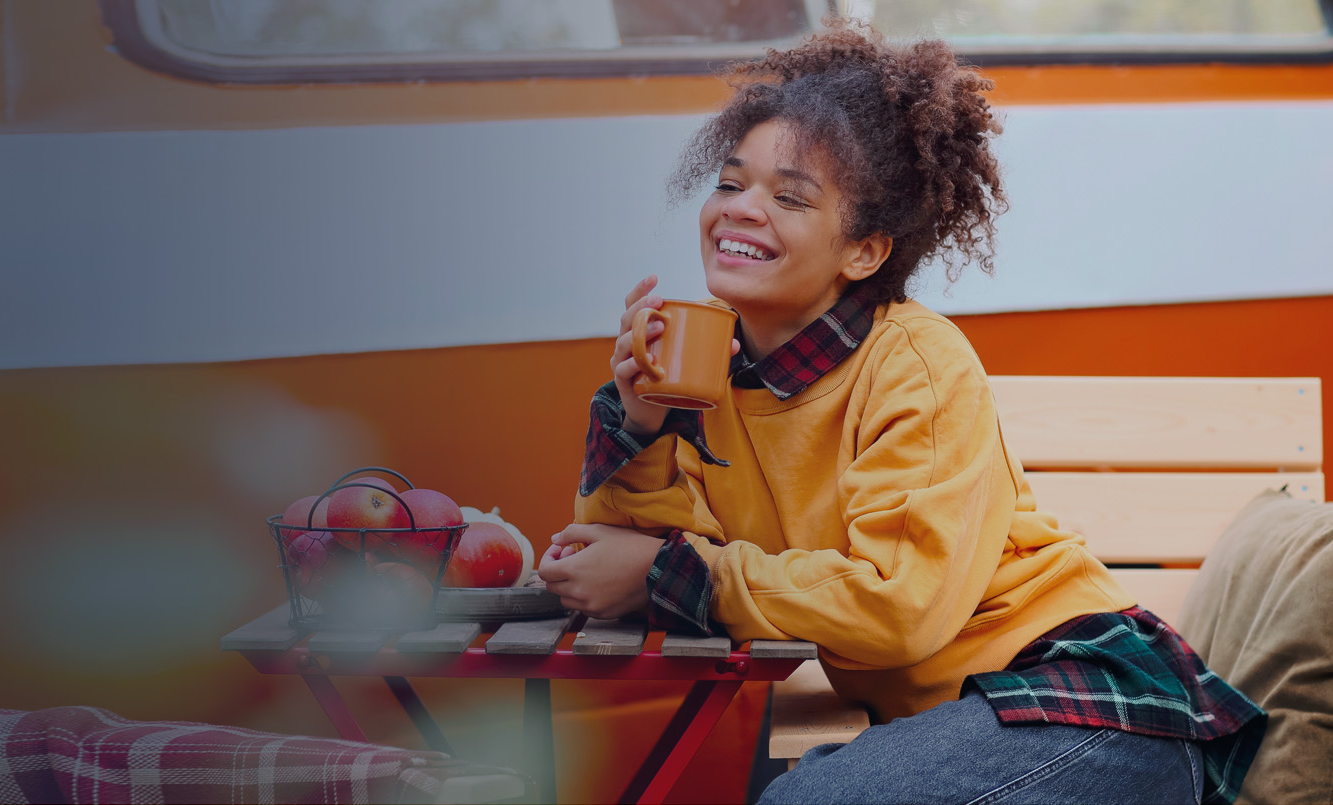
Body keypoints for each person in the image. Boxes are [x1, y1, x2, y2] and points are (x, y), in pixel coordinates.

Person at [536, 19, 1265, 805]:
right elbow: (628, 553)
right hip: (960, 723)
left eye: (789, 196)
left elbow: (897, 606)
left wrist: (668, 574)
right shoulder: (715, 372)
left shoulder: (915, 361)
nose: (742, 208)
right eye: (729, 181)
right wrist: (639, 424)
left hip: (1089, 706)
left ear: (865, 251)